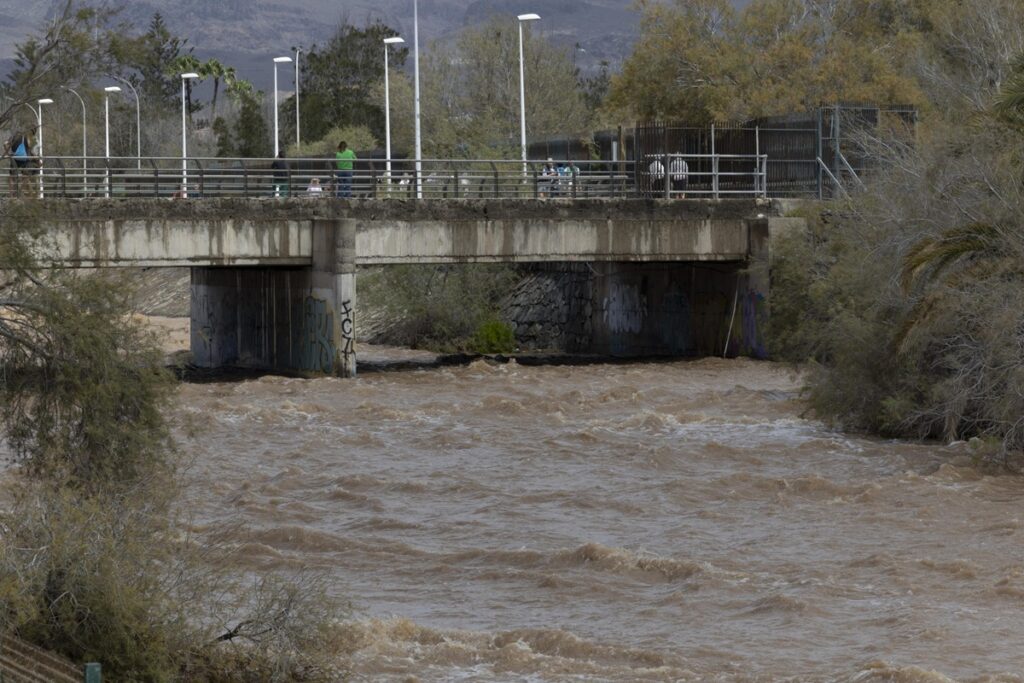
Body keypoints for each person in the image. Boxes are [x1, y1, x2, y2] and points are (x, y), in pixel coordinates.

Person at [4, 130, 30, 197]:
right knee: (25, 176)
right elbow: (29, 145)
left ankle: (11, 195)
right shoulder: (25, 137)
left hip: (14, 158)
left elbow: (5, 144)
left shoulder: (12, 138)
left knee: (11, 177)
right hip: (24, 159)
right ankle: (20, 192)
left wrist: (7, 153)